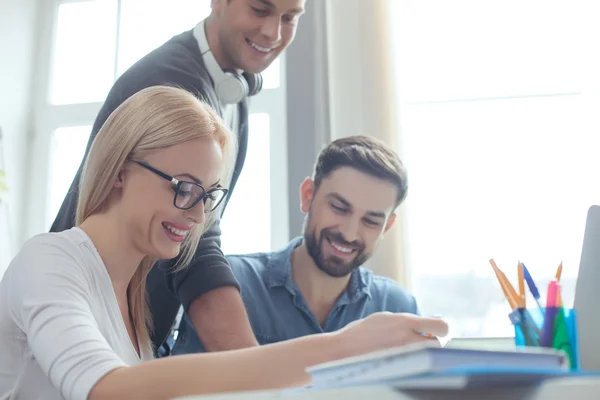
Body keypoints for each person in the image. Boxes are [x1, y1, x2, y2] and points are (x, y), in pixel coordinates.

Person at [0, 86, 448, 400]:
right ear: (120, 169)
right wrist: (345, 348)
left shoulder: (132, 301)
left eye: (209, 196)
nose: (196, 214)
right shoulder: (49, 261)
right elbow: (107, 390)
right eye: (183, 187)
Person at [50, 0, 307, 354]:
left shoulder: (233, 91)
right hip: (86, 316)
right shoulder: (173, 83)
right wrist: (259, 375)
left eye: (290, 18)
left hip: (133, 332)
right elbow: (197, 245)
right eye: (260, 9)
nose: (273, 32)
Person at [173, 135, 420, 353]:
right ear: (307, 196)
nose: (350, 233)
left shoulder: (397, 307)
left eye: (371, 221)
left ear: (387, 226)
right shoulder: (230, 284)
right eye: (339, 208)